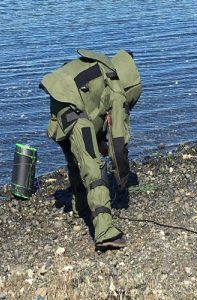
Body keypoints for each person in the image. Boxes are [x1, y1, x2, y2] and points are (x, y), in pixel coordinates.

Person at [39, 49, 142, 251]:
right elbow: (118, 140)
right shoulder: (116, 88)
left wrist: (101, 141)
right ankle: (104, 232)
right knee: (92, 165)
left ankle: (82, 205)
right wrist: (122, 177)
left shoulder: (102, 69)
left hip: (59, 98)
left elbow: (95, 110)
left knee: (75, 158)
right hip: (74, 107)